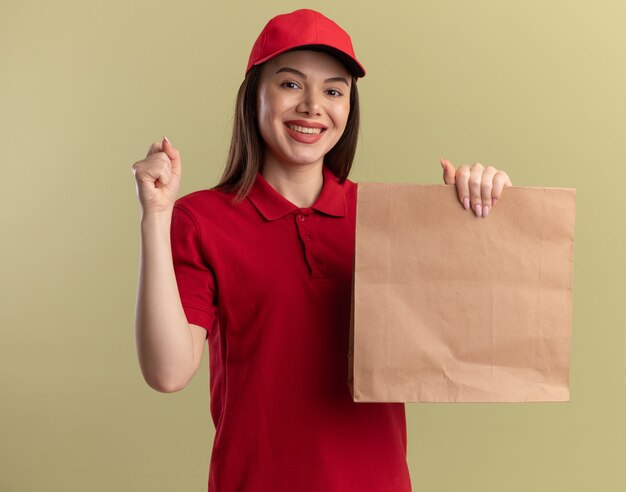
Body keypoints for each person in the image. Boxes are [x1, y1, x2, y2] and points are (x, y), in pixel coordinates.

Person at [131, 8, 512, 492]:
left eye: (333, 90)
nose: (313, 106)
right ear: (254, 97)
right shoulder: (201, 219)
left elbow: (468, 340)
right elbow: (167, 372)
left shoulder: (385, 218)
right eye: (290, 84)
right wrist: (155, 215)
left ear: (348, 109)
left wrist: (478, 216)